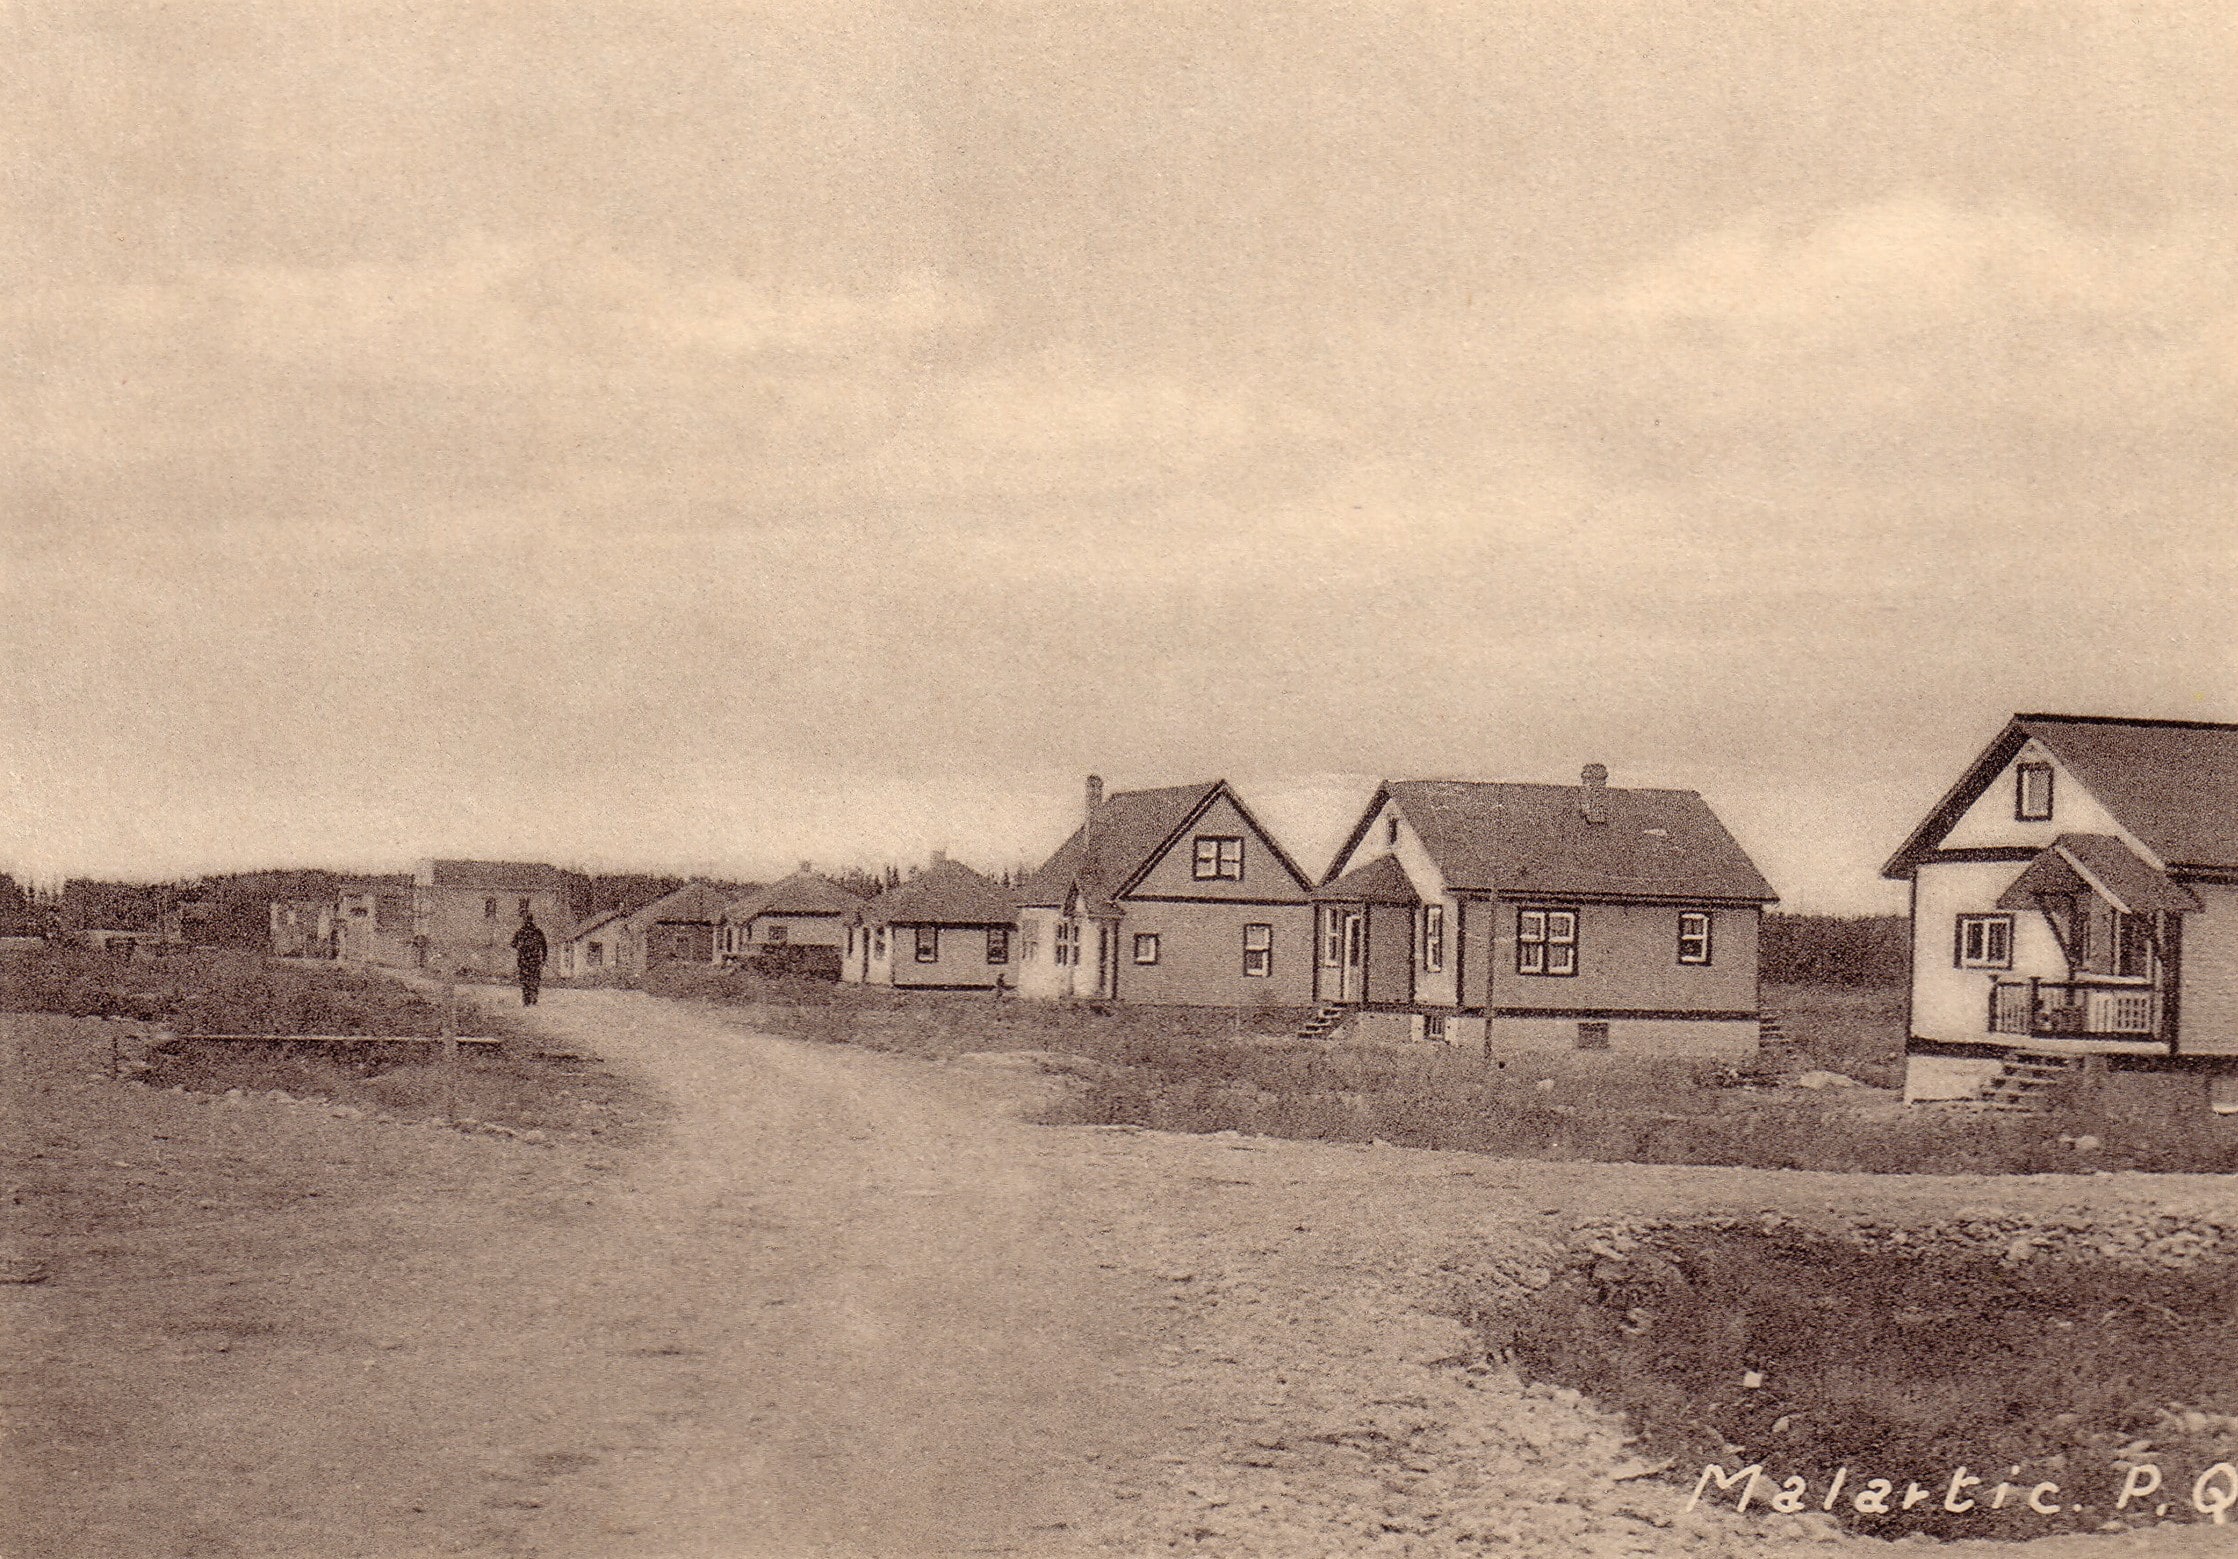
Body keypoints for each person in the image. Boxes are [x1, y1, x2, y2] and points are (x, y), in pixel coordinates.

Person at [511, 911, 549, 1006]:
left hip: (524, 958)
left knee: (525, 978)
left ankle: (527, 999)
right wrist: (543, 958)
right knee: (534, 978)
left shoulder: (521, 931)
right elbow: (544, 946)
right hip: (534, 958)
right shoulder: (537, 931)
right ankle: (533, 998)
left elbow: (513, 944)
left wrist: (520, 946)